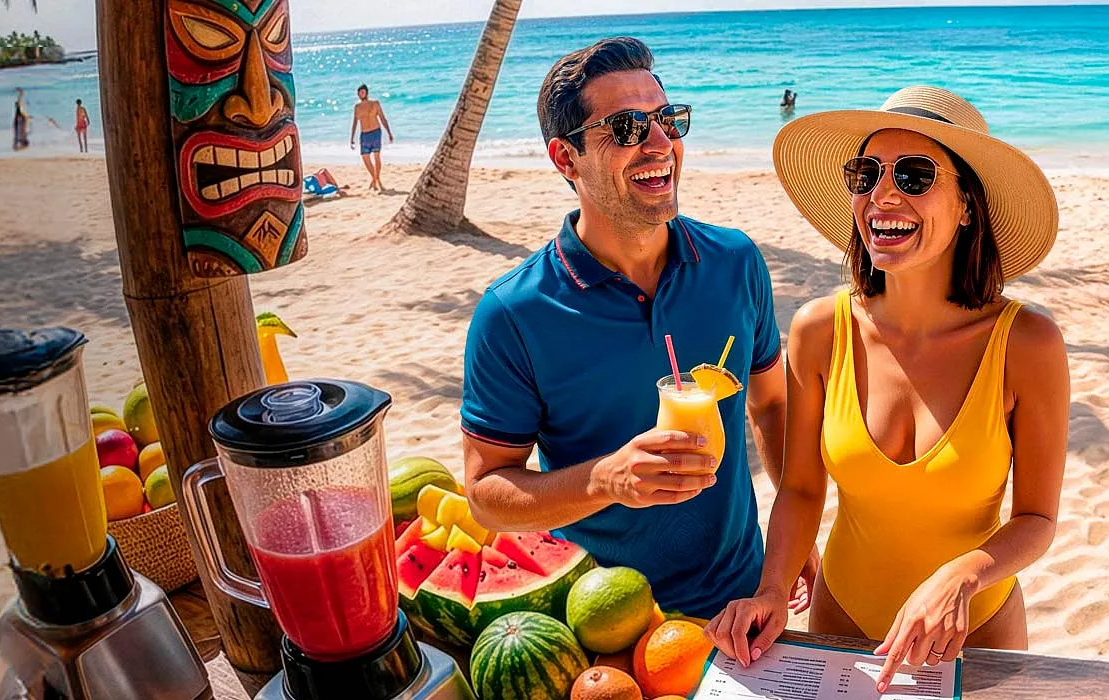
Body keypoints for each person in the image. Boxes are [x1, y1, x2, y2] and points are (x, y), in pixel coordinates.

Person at [713, 87, 1070, 687]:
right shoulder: (819, 329)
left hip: (977, 634)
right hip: (842, 622)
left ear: (966, 206)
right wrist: (772, 588)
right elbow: (801, 488)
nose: (883, 194)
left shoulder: (1027, 343)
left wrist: (962, 576)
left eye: (913, 173)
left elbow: (1036, 519)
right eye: (866, 173)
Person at [458, 37, 789, 628]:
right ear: (566, 158)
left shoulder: (736, 261)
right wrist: (606, 478)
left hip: (742, 601)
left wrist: (790, 542)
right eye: (627, 128)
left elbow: (771, 407)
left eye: (666, 119)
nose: (661, 144)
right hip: (598, 618)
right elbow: (487, 494)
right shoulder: (513, 313)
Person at [354, 85, 395, 191]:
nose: (361, 94)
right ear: (358, 94)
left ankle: (376, 181)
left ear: (367, 93)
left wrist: (389, 132)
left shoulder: (375, 104)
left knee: (376, 157)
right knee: (365, 157)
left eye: (363, 92)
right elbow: (355, 122)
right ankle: (376, 179)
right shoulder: (357, 107)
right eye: (360, 92)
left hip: (375, 132)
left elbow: (382, 118)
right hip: (364, 134)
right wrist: (352, 137)